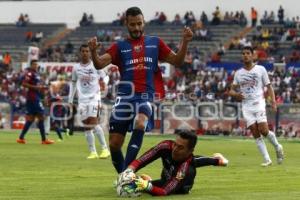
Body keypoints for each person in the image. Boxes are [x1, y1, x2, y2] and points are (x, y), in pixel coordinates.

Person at [88, 6, 193, 173]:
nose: (136, 28)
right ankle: (124, 176)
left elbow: (177, 61)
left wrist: (185, 42)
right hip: (124, 96)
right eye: (133, 24)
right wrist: (94, 52)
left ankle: (128, 174)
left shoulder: (155, 43)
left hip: (145, 95)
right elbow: (100, 63)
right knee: (114, 145)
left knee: (140, 122)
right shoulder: (119, 46)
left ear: (144, 23)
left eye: (139, 24)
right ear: (126, 24)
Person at [121, 130, 228, 196]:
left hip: (180, 188)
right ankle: (218, 161)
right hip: (166, 178)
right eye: (175, 144)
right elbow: (142, 160)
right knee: (138, 185)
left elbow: (165, 191)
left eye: (180, 147)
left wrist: (147, 186)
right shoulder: (166, 146)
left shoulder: (185, 169)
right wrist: (129, 170)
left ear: (190, 150)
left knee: (196, 161)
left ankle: (221, 161)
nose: (175, 149)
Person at [229, 46, 284, 166]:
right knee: (254, 132)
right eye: (243, 53)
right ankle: (267, 159)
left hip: (259, 103)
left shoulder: (260, 69)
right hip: (246, 107)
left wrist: (273, 102)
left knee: (264, 130)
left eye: (248, 53)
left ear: (253, 55)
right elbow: (231, 91)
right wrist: (236, 95)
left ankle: (277, 146)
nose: (245, 55)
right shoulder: (238, 73)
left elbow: (269, 86)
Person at [68, 44, 110, 159]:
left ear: (90, 53)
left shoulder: (95, 65)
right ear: (80, 53)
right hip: (82, 100)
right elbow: (73, 83)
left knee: (93, 123)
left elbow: (106, 76)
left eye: (87, 51)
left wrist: (104, 84)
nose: (85, 53)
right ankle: (93, 152)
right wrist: (70, 99)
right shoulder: (76, 68)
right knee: (87, 126)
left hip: (94, 98)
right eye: (83, 51)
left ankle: (105, 149)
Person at [16, 60, 54, 144]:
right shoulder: (30, 73)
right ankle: (44, 140)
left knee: (31, 119)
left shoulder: (36, 74)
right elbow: (24, 84)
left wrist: (42, 88)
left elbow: (37, 86)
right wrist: (37, 88)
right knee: (41, 117)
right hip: (33, 98)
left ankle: (21, 138)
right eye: (34, 64)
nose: (36, 66)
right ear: (31, 65)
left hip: (34, 97)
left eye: (37, 64)